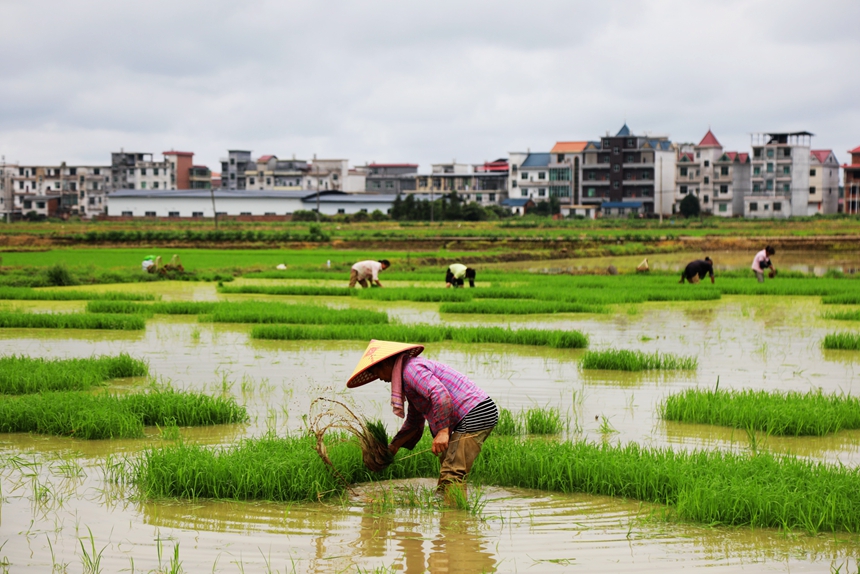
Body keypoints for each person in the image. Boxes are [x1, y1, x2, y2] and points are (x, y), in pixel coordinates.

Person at [347, 339, 498, 488]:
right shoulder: (408, 376)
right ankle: (445, 506)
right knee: (448, 463)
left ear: (386, 363)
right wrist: (393, 447)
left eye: (376, 371)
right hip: (474, 413)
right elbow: (414, 421)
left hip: (475, 413)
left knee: (453, 473)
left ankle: (454, 511)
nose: (379, 377)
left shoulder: (411, 370)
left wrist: (443, 431)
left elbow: (441, 395)